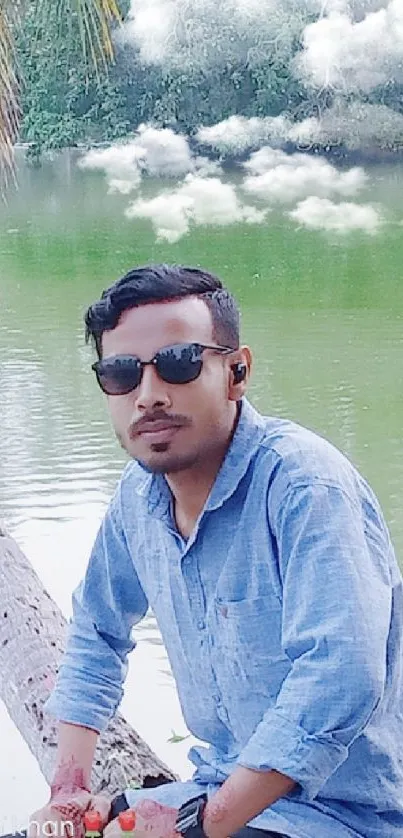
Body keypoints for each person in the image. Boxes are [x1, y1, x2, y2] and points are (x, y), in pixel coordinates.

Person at [24, 264, 403, 838]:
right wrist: (70, 790)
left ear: (237, 372)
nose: (148, 396)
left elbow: (340, 676)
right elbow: (97, 633)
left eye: (179, 364)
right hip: (216, 785)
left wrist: (208, 824)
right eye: (122, 375)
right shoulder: (138, 497)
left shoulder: (304, 487)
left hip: (345, 815)